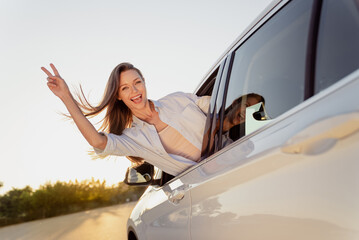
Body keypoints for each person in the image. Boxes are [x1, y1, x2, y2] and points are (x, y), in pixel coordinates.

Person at [41, 63, 210, 176]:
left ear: (144, 82)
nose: (135, 91)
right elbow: (97, 141)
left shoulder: (178, 99)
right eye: (125, 88)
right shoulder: (134, 139)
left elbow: (219, 105)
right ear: (119, 96)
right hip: (205, 183)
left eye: (137, 82)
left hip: (233, 156)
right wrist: (65, 96)